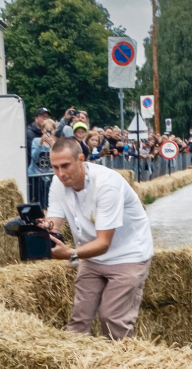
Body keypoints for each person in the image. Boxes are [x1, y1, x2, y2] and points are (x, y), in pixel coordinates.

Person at [43, 137, 153, 340]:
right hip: (92, 257)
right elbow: (54, 221)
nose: (60, 173)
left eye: (65, 166)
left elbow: (104, 243)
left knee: (112, 319)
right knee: (79, 320)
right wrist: (42, 229)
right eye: (55, 167)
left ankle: (123, 367)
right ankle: (76, 368)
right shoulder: (58, 183)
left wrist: (70, 254)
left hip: (127, 255)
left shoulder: (106, 185)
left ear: (81, 159)